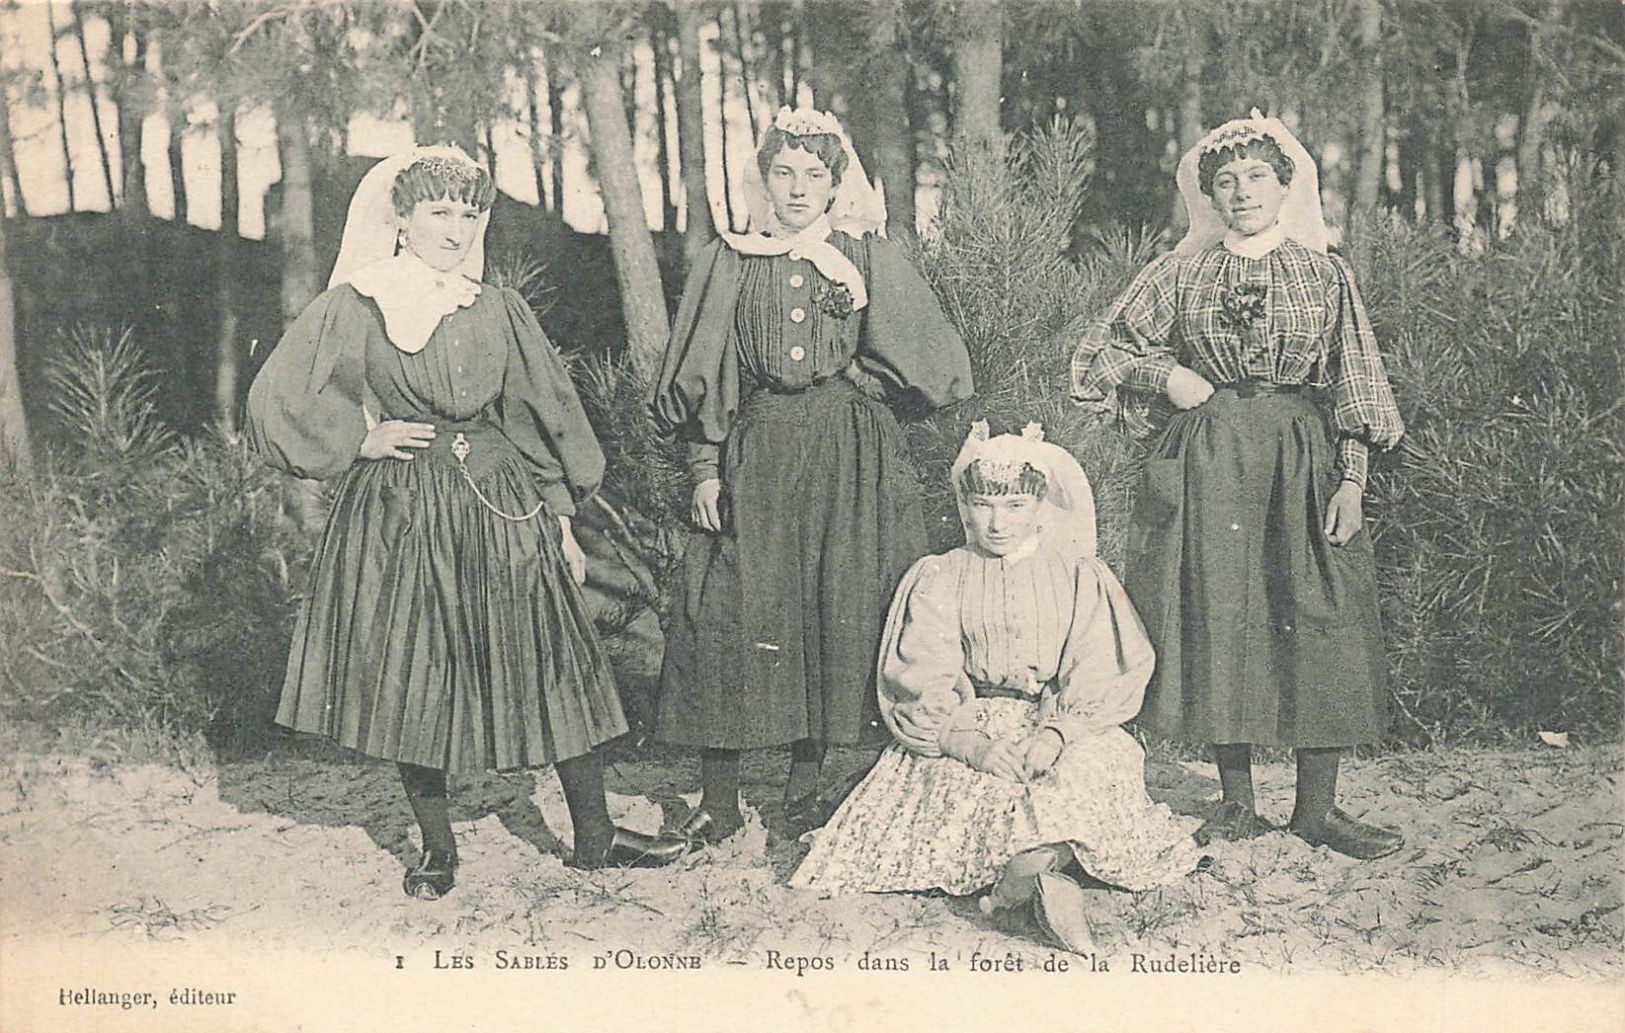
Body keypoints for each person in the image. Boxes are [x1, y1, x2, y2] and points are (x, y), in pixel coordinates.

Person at [246, 146, 685, 899]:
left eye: (468, 213)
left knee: (554, 657)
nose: (454, 229)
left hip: (499, 499)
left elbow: (538, 413)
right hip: (401, 509)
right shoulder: (360, 301)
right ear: (403, 218)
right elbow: (275, 397)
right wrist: (359, 438)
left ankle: (594, 835)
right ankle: (437, 848)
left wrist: (562, 520)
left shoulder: (496, 307)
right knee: (417, 671)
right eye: (437, 212)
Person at [1070, 111, 1406, 859]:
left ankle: (1316, 810)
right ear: (1209, 197)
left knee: (1319, 609)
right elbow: (1097, 355)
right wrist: (1169, 374)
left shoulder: (1323, 272)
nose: (1241, 191)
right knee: (1219, 610)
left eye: (1256, 176)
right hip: (1211, 457)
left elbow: (1354, 380)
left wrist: (1350, 476)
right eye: (1225, 181)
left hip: (1298, 453)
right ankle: (1235, 801)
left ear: (1285, 186)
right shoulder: (1181, 271)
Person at [648, 106, 974, 844]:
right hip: (757, 449)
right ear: (762, 179)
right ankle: (720, 800)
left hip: (849, 454)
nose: (798, 189)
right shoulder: (730, 259)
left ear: (834, 184)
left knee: (836, 608)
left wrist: (863, 381)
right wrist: (705, 467)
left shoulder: (860, 255)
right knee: (727, 612)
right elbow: (707, 370)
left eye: (814, 175)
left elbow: (935, 361)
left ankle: (805, 787)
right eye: (784, 173)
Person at [789, 422, 1204, 947]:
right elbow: (924, 665)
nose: (997, 522)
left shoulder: (1077, 574)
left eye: (1013, 507)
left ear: (1040, 505)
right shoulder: (942, 573)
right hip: (971, 722)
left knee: (1098, 766)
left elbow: (1099, 663)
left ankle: (1027, 873)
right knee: (969, 786)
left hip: (1054, 719)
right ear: (965, 507)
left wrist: (1057, 733)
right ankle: (1035, 874)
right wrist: (966, 742)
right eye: (984, 505)